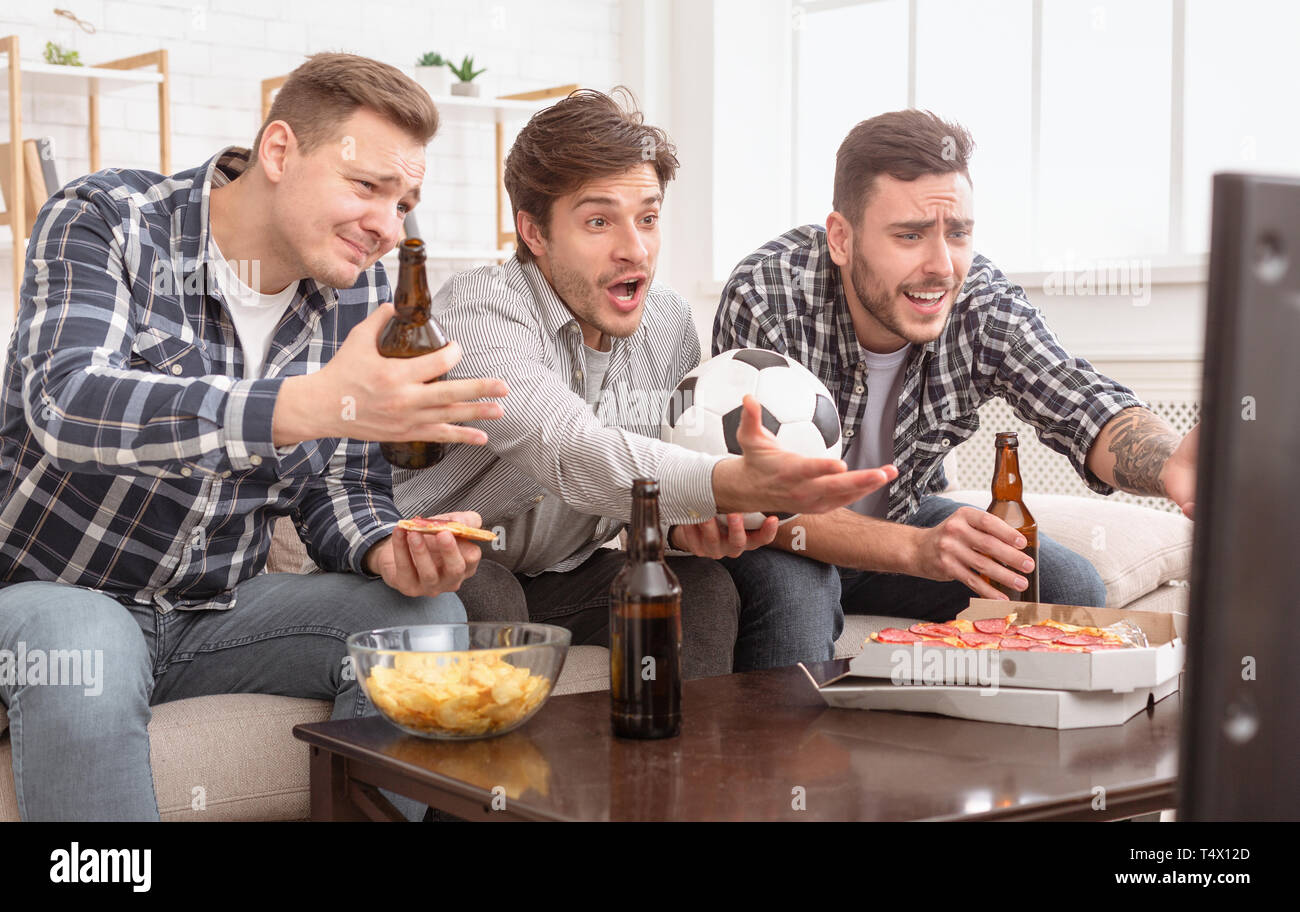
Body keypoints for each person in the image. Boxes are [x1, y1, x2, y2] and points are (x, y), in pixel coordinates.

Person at [0, 53, 508, 821]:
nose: (387, 226)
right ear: (279, 152)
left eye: (404, 201)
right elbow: (65, 401)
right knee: (89, 635)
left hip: (213, 610)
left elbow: (341, 486)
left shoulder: (360, 290)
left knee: (426, 620)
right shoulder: (108, 219)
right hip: (49, 599)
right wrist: (301, 403)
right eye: (367, 187)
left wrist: (387, 546)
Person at [395, 89, 894, 676]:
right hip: (445, 563)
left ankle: (679, 767)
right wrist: (726, 482)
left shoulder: (669, 322)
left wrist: (694, 531)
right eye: (599, 221)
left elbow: (656, 499)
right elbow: (570, 449)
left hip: (563, 574)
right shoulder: (481, 308)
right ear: (534, 233)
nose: (635, 249)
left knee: (701, 590)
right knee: (490, 593)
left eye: (649, 218)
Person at [714, 109, 1198, 623]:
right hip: (793, 535)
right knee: (796, 604)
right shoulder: (767, 295)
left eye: (958, 234)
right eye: (910, 235)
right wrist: (918, 551)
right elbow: (759, 502)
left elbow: (1080, 402)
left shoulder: (981, 305)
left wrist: (1171, 465)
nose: (942, 266)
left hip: (902, 513)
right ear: (841, 238)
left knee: (1065, 585)